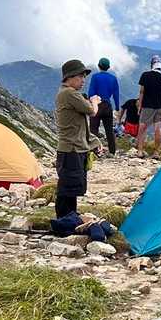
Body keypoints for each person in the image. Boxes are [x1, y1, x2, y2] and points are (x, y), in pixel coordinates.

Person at [54, 59, 98, 218]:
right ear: (70, 77)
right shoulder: (69, 93)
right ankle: (64, 219)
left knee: (71, 186)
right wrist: (94, 101)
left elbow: (80, 123)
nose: (83, 80)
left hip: (74, 147)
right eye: (80, 77)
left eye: (84, 77)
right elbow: (91, 111)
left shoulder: (67, 93)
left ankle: (70, 216)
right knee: (67, 187)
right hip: (71, 148)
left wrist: (93, 142)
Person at [136, 54, 161, 154]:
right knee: (157, 130)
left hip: (147, 106)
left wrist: (139, 106)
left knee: (142, 128)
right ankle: (156, 152)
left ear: (152, 64)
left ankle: (140, 151)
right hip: (159, 107)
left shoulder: (145, 75)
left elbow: (141, 92)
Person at [86, 57, 120, 155]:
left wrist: (89, 103)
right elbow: (116, 95)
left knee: (93, 129)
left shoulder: (95, 77)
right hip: (107, 105)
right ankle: (112, 151)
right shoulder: (113, 78)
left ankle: (94, 151)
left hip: (96, 104)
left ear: (99, 66)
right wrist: (117, 108)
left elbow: (91, 92)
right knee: (109, 130)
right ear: (108, 67)